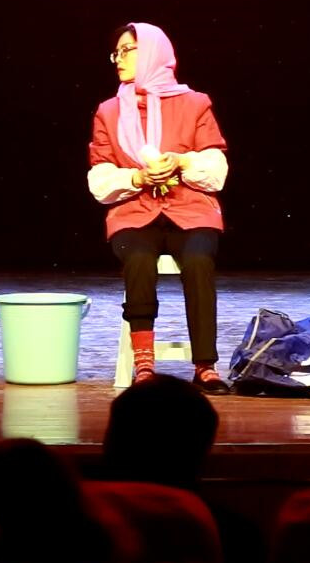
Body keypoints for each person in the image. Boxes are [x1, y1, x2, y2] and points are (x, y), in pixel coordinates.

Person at [87, 22, 231, 394]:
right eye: (116, 53)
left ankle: (205, 365)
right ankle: (144, 362)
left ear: (152, 53)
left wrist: (181, 162)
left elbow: (216, 169)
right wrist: (137, 178)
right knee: (138, 259)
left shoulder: (195, 103)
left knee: (198, 261)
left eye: (127, 51)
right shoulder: (108, 112)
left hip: (191, 210)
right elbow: (99, 177)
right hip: (134, 213)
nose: (118, 59)